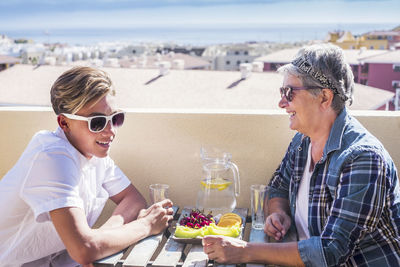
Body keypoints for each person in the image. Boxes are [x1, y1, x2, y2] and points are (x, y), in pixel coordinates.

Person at [202, 43, 400, 266]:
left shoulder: (363, 159)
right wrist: (279, 213)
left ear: (324, 97)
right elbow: (278, 186)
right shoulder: (303, 141)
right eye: (281, 92)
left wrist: (245, 251)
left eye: (289, 92)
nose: (281, 102)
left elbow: (331, 252)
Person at [0, 66, 174, 266]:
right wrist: (145, 225)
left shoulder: (93, 153)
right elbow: (84, 250)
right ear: (64, 123)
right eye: (97, 122)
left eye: (115, 118)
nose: (110, 132)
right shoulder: (51, 157)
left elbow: (133, 200)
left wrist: (101, 237)